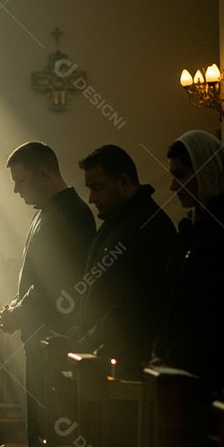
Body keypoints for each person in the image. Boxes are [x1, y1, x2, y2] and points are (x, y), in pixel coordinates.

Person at [0, 141, 95, 447]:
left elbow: (58, 284)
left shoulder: (70, 214)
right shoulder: (49, 213)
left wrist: (18, 312)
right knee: (41, 425)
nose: (15, 190)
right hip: (41, 340)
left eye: (21, 181)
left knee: (53, 428)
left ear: (43, 173)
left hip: (57, 341)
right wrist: (18, 306)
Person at [151, 130, 224, 389]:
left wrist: (174, 357)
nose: (172, 187)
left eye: (180, 175)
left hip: (214, 376)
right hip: (187, 369)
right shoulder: (199, 224)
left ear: (206, 170)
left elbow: (218, 310)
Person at [74, 145, 175, 379]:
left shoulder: (149, 227)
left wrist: (86, 338)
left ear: (124, 182)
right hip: (102, 354)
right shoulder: (114, 221)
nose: (91, 198)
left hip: (128, 367)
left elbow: (134, 305)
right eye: (89, 189)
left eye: (97, 188)